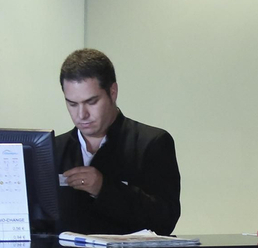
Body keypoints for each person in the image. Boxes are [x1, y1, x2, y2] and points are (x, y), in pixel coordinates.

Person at [54, 49, 181, 235]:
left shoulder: (153, 143)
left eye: (91, 102)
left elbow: (165, 221)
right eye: (72, 104)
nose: (82, 115)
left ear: (112, 92)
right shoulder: (54, 149)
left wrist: (103, 188)